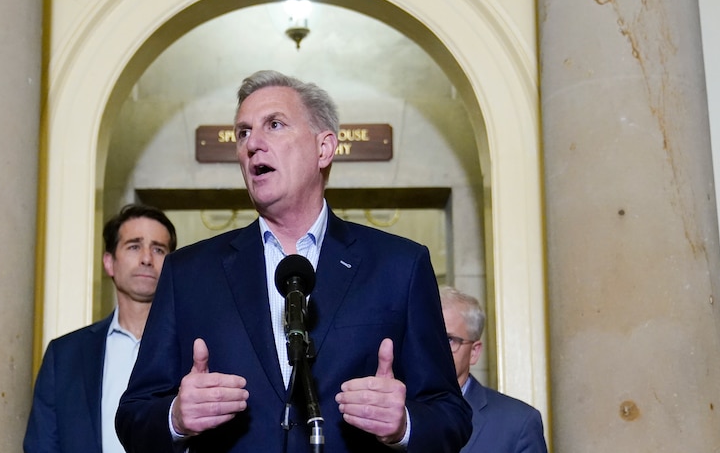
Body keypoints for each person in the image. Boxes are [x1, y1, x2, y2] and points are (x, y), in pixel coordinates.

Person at [116, 70, 472, 453]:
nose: (253, 143)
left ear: (324, 149)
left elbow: (450, 415)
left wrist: (404, 423)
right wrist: (176, 417)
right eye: (243, 132)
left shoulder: (400, 266)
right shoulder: (188, 273)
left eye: (274, 125)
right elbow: (133, 417)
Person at [24, 204, 178, 453]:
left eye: (159, 249)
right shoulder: (64, 356)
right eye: (134, 246)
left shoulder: (193, 348)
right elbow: (42, 445)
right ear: (109, 262)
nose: (147, 258)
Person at [439, 286, 548, 453]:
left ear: (474, 352)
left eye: (449, 340)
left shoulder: (518, 423)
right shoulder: (394, 411)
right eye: (426, 337)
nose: (434, 348)